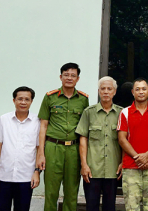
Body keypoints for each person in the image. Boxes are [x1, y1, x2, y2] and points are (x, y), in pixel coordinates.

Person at [37, 62, 89, 211]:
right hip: (53, 148)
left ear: (78, 79)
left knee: (72, 192)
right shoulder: (50, 97)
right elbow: (43, 126)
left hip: (73, 149)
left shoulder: (83, 99)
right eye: (66, 75)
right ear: (61, 77)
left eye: (73, 75)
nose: (69, 78)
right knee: (51, 191)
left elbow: (84, 128)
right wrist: (41, 153)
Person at [0, 86, 41, 211]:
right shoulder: (4, 120)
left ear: (31, 101)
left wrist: (36, 172)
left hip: (26, 177)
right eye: (20, 99)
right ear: (14, 100)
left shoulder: (37, 122)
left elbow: (39, 149)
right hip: (3, 176)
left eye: (27, 99)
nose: (23, 102)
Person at [76, 76, 123, 211]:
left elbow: (124, 140)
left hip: (113, 168)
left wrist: (123, 162)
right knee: (91, 205)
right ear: (98, 91)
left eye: (109, 89)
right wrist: (84, 165)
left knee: (110, 206)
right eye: (103, 89)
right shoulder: (89, 113)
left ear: (114, 92)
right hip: (92, 169)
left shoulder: (121, 113)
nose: (106, 92)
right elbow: (83, 139)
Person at [117, 78, 148, 211]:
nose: (141, 92)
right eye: (137, 89)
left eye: (144, 89)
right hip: (130, 167)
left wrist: (147, 155)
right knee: (131, 207)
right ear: (132, 92)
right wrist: (139, 158)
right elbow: (122, 139)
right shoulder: (125, 112)